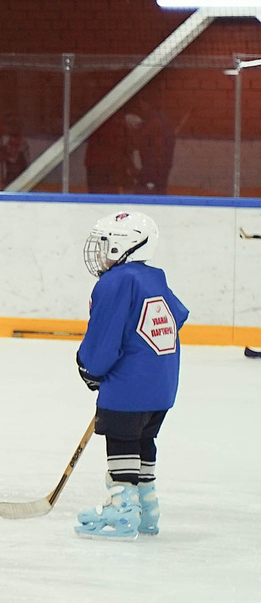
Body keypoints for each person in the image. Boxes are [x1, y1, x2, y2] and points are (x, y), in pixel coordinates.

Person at [73, 211, 187, 539]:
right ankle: (147, 507)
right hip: (162, 385)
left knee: (122, 441)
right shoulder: (154, 277)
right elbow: (176, 318)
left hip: (129, 387)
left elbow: (104, 338)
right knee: (142, 440)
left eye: (105, 243)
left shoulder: (115, 281)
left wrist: (90, 368)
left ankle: (122, 510)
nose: (99, 251)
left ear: (123, 246)